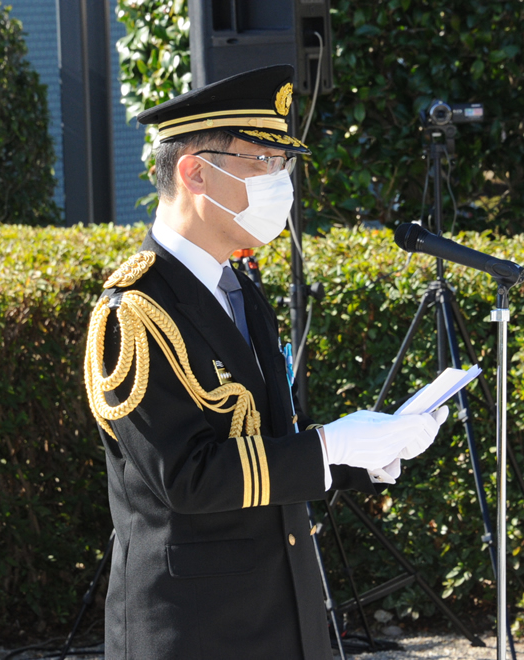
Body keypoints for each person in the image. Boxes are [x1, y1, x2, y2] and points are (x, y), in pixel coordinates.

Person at [83, 65, 448, 660]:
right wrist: (329, 448)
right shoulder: (134, 309)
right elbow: (188, 478)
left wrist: (362, 454)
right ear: (195, 171)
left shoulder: (240, 290)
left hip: (280, 612)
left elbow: (267, 445)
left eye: (283, 165)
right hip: (193, 628)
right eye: (262, 163)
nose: (281, 182)